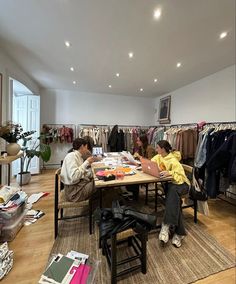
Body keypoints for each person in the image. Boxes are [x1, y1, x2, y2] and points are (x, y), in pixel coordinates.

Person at [151, 140, 190, 248]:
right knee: (174, 200)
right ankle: (179, 233)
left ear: (163, 149)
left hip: (182, 185)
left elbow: (181, 176)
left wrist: (170, 172)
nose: (156, 149)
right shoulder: (159, 157)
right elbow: (151, 163)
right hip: (172, 186)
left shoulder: (173, 160)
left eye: (157, 147)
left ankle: (166, 225)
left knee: (172, 192)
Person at [61, 137, 96, 202]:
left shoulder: (78, 156)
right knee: (99, 184)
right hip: (74, 193)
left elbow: (81, 172)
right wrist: (87, 162)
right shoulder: (71, 156)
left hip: (77, 187)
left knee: (97, 180)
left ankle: (96, 204)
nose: (87, 149)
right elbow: (74, 177)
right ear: (82, 146)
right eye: (86, 147)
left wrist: (92, 173)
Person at [127, 134, 156, 200]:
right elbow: (138, 158)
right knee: (131, 174)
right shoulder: (141, 147)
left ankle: (135, 195)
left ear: (143, 141)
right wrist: (131, 158)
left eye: (138, 141)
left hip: (150, 169)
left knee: (134, 176)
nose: (137, 142)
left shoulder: (150, 148)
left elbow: (150, 161)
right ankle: (134, 194)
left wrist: (139, 157)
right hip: (143, 166)